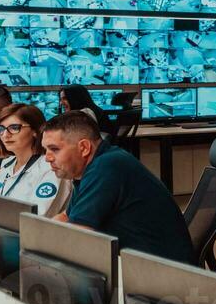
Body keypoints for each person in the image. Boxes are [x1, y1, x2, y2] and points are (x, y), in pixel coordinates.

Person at [41, 111, 193, 263]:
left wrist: (38, 246)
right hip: (137, 263)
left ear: (84, 148)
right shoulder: (94, 166)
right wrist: (36, 236)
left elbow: (77, 235)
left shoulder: (106, 167)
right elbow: (67, 217)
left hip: (161, 273)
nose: (47, 158)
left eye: (54, 149)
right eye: (45, 149)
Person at [0, 104, 71, 217]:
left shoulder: (50, 168)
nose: (5, 135)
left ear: (35, 131)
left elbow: (36, 218)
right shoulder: (7, 165)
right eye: (1, 129)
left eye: (14, 128)